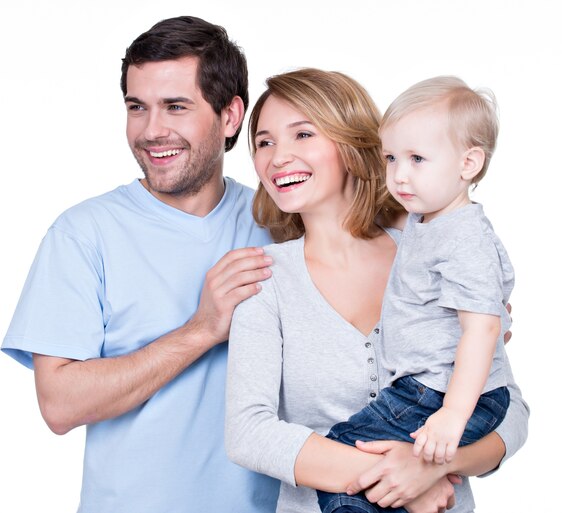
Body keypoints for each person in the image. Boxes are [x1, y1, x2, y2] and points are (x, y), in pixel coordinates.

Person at [1, 16, 280, 513]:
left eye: (176, 107)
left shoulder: (279, 221)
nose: (152, 131)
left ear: (231, 115)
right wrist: (201, 329)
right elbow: (59, 404)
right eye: (137, 108)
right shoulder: (83, 234)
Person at [225, 68, 528, 513]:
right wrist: (401, 482)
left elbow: (511, 412)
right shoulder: (265, 280)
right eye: (264, 142)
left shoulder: (434, 251)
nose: (277, 157)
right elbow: (248, 433)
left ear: (350, 144)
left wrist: (432, 468)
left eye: (303, 134)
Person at [316, 77, 514, 513]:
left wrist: (453, 414)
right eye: (391, 158)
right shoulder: (427, 224)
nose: (398, 175)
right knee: (355, 462)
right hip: (424, 390)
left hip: (440, 395)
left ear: (469, 164)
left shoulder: (464, 238)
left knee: (343, 455)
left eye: (418, 159)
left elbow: (483, 329)